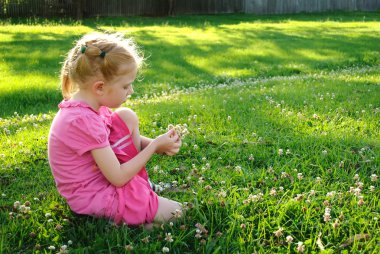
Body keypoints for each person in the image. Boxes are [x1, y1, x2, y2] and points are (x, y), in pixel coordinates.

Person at [48, 32, 183, 228]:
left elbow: (110, 140)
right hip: (93, 196)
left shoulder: (89, 106)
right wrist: (153, 147)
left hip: (102, 178)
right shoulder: (83, 121)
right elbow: (118, 177)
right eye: (126, 86)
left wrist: (158, 145)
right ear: (100, 87)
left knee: (125, 116)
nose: (131, 91)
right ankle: (130, 224)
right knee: (179, 213)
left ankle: (139, 197)